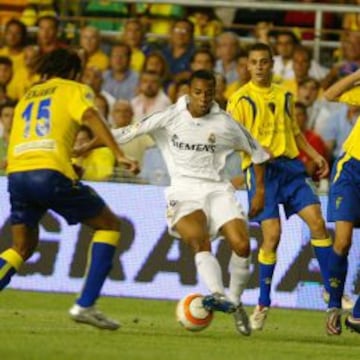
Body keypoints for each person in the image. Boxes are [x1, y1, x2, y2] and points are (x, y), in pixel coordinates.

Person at [107, 70, 270, 336]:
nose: (203, 98)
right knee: (199, 240)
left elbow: (259, 155)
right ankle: (218, 293)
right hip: (183, 190)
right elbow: (124, 133)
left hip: (218, 189)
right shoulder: (170, 116)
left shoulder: (227, 124)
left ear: (215, 93)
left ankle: (235, 302)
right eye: (198, 92)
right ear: (188, 92)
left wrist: (260, 191)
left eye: (209, 92)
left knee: (242, 245)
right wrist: (84, 146)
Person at [0, 48, 138, 330]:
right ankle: (86, 305)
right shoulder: (75, 89)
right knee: (109, 225)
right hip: (49, 173)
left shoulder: (29, 94)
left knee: (21, 247)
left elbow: (31, 135)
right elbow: (91, 117)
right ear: (74, 72)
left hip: (17, 173)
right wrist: (119, 153)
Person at [227, 42, 351, 331]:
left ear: (272, 64)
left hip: (291, 169)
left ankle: (331, 294)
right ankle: (263, 301)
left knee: (318, 224)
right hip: (261, 173)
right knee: (272, 236)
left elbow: (293, 131)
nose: (259, 67)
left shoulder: (285, 94)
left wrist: (314, 153)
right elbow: (233, 138)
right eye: (253, 62)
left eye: (264, 62)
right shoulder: (240, 100)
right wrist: (257, 153)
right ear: (247, 66)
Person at [323, 68, 360, 335]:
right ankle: (334, 306)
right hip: (351, 170)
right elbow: (330, 94)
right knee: (343, 241)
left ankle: (357, 315)